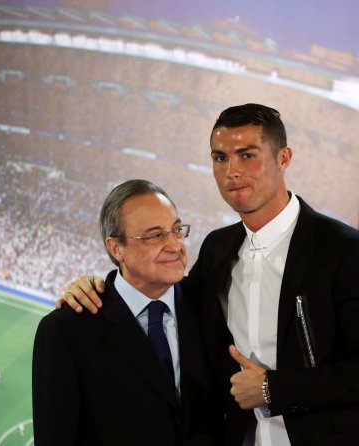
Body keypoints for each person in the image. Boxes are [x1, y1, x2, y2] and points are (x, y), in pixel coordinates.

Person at [59, 104, 359, 446]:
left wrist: (271, 389)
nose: (232, 171)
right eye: (220, 158)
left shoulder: (344, 251)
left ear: (283, 158)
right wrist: (97, 287)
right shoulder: (218, 248)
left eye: (247, 155)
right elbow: (170, 297)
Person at [33, 180, 222, 445]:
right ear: (116, 248)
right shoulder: (67, 330)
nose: (175, 245)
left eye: (177, 230)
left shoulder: (207, 306)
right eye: (155, 235)